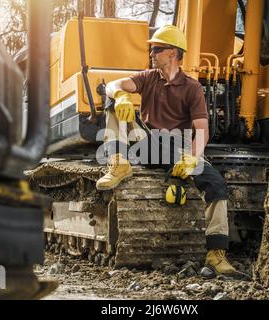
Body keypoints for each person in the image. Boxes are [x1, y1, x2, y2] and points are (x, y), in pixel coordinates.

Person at [96, 25, 238, 276]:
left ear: (173, 53)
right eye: (152, 49)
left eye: (157, 49)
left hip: (177, 149)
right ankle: (118, 163)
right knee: (113, 102)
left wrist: (193, 157)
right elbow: (113, 84)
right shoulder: (148, 77)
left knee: (216, 183)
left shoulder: (193, 88)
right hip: (146, 143)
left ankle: (216, 255)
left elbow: (202, 127)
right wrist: (119, 95)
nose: (152, 53)